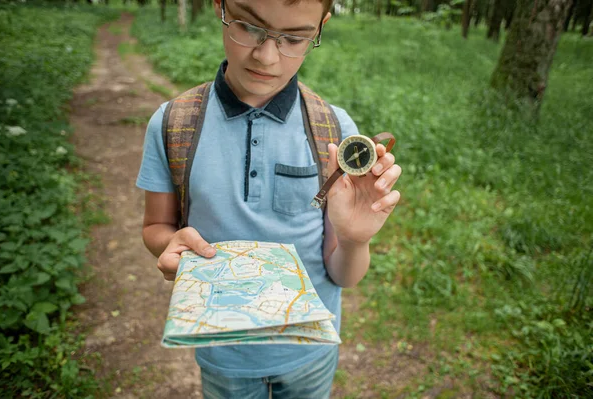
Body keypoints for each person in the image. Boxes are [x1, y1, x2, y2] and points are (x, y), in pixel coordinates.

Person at [136, 0, 402, 397]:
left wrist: (354, 238)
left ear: (320, 28)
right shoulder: (173, 123)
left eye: (294, 37)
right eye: (247, 26)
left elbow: (344, 274)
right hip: (222, 354)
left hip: (309, 353)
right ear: (219, 7)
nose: (266, 55)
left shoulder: (334, 131)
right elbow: (157, 226)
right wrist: (169, 243)